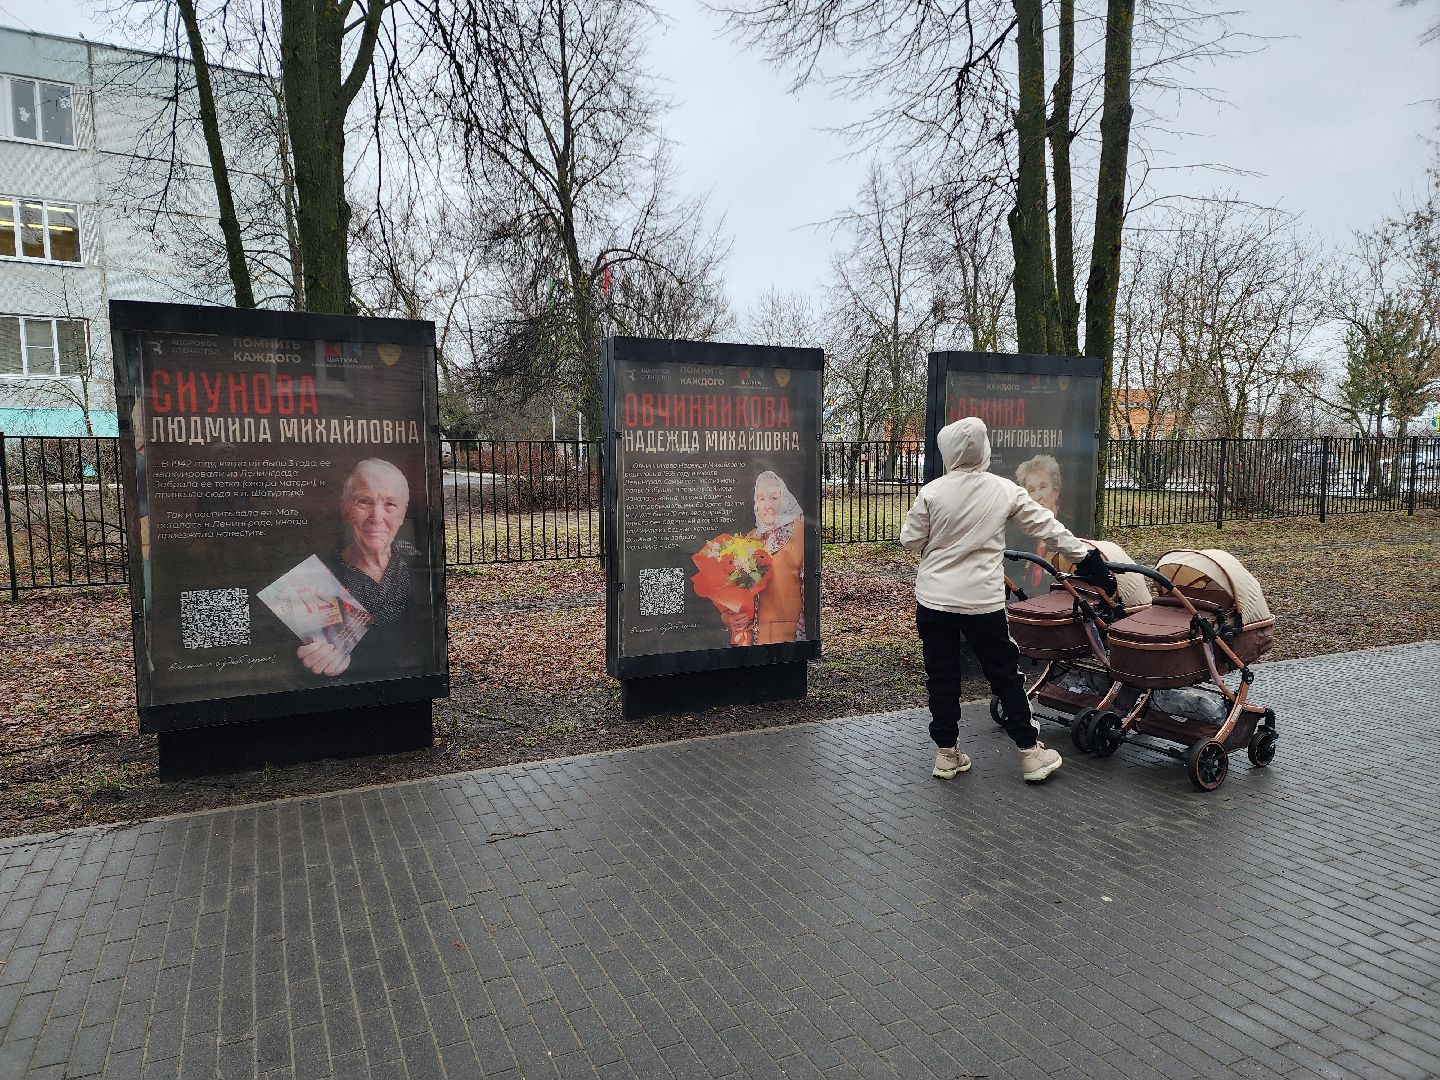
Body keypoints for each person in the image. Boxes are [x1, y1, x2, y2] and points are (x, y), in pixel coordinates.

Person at [900, 418, 1115, 783]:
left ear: (947, 451)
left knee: (941, 675)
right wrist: (1087, 559)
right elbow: (1047, 527)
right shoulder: (1004, 490)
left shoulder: (933, 492)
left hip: (934, 600)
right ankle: (1031, 753)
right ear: (984, 450)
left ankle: (946, 754)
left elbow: (910, 540)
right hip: (981, 602)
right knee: (1005, 675)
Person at [298, 457, 428, 678]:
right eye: (364, 502)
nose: (376, 517)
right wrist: (318, 667)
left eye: (390, 504)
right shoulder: (312, 583)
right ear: (344, 508)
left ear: (403, 513)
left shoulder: (421, 567)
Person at [719, 470, 805, 645]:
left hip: (788, 639)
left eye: (773, 498)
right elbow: (734, 593)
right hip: (754, 642)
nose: (767, 505)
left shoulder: (801, 534)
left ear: (785, 498)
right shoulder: (750, 539)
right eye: (761, 498)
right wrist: (728, 617)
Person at [1015, 454, 1063, 592]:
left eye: (1042, 487)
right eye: (1031, 490)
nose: (1037, 496)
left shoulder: (1071, 529)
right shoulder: (1021, 533)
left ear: (1056, 491)